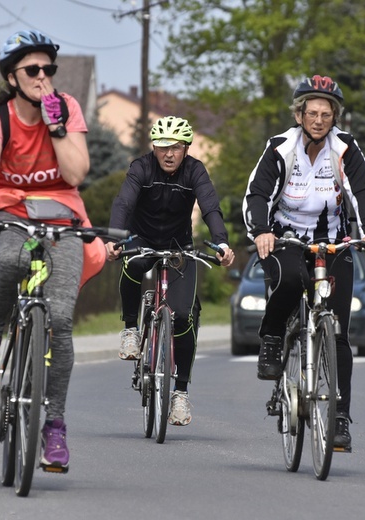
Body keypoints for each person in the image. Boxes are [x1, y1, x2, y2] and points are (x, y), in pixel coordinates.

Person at [0, 30, 100, 472]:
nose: (43, 77)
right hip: (8, 211)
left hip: (63, 216)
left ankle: (53, 425)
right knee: (13, 259)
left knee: (59, 320)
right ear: (12, 77)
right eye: (32, 70)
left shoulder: (67, 107)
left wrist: (57, 126)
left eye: (48, 70)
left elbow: (75, 174)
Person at [242, 75, 365, 451]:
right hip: (287, 240)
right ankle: (272, 337)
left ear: (334, 116)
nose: (319, 119)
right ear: (300, 114)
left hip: (334, 245)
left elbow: (364, 191)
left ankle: (339, 419)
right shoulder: (280, 148)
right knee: (289, 279)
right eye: (312, 112)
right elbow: (257, 193)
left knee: (337, 335)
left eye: (326, 113)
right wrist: (260, 230)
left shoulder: (345, 148)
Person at [105, 116, 235, 427]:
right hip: (142, 238)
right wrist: (114, 238)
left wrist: (221, 242)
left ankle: (180, 393)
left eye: (175, 147)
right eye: (162, 146)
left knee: (182, 315)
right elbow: (123, 202)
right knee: (133, 263)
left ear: (186, 148)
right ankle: (131, 329)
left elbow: (210, 207)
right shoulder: (141, 167)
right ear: (153, 147)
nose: (168, 153)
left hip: (179, 244)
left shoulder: (195, 171)